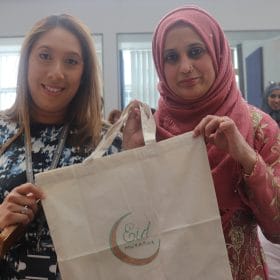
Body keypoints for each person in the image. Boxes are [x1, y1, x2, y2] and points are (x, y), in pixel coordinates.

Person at [0, 14, 137, 279]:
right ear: (26, 61)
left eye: (71, 61)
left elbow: (132, 230)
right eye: (44, 56)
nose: (56, 72)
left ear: (84, 73)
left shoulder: (109, 144)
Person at [149, 5, 280, 279]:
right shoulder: (150, 131)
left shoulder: (259, 128)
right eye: (171, 57)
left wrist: (244, 154)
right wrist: (132, 154)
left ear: (218, 53)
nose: (185, 67)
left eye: (196, 51)